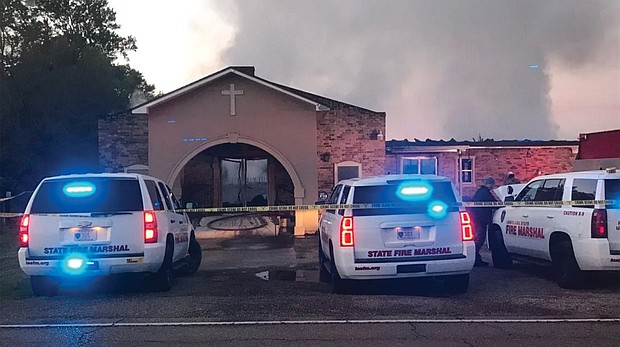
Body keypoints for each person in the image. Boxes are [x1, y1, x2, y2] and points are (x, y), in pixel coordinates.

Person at [470, 177, 498, 267]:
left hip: (477, 219)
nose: (493, 187)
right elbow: (494, 203)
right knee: (479, 239)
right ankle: (475, 259)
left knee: (477, 239)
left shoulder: (480, 191)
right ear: (489, 184)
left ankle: (475, 258)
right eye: (492, 185)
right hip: (480, 220)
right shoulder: (485, 193)